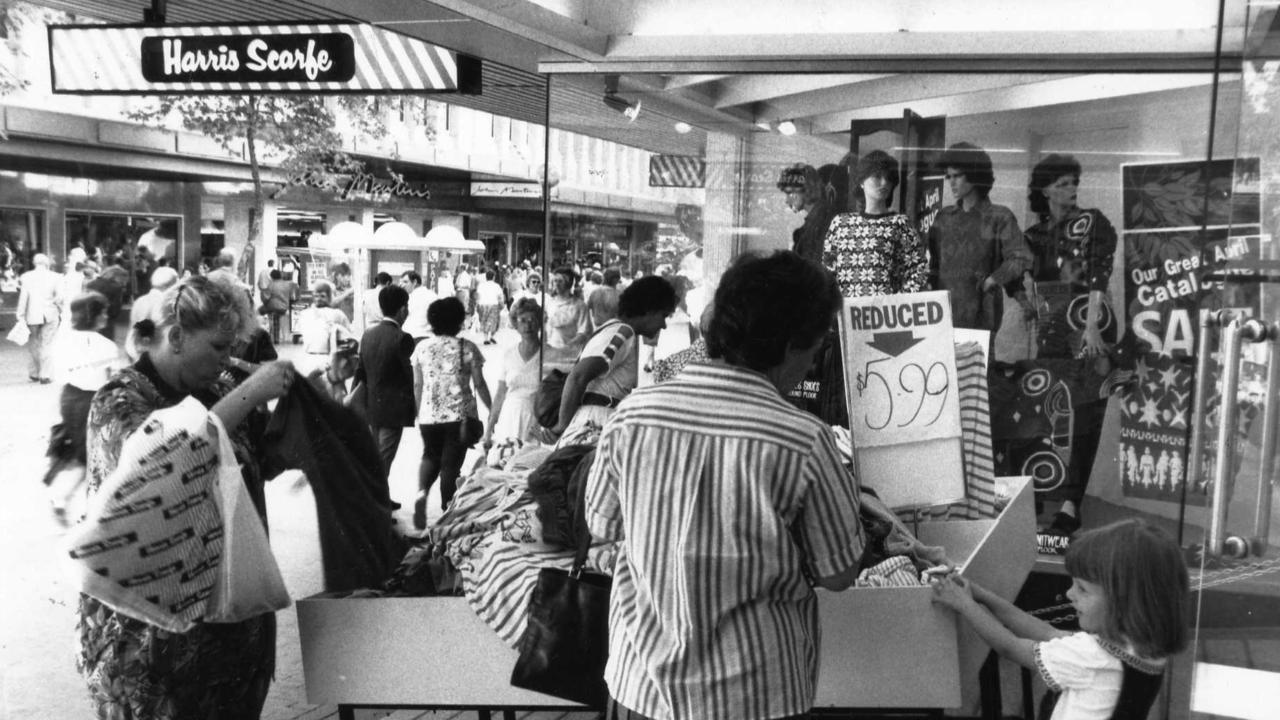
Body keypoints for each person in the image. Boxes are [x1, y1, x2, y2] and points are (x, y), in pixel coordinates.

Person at [584, 250, 869, 720]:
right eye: (817, 348)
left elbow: (602, 523)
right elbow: (839, 573)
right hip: (755, 694)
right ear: (793, 344)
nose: (814, 362)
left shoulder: (632, 414)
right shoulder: (802, 439)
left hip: (642, 687)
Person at [78, 272, 296, 719]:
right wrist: (249, 394)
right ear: (176, 337)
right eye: (218, 347)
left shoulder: (218, 389)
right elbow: (162, 464)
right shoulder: (119, 401)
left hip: (231, 633)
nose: (227, 359)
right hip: (148, 642)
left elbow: (255, 467)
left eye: (232, 348)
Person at [932, 519, 1189, 720]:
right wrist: (978, 593)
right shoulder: (1141, 646)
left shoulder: (1093, 656)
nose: (1069, 594)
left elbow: (1009, 647)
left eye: (1082, 589)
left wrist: (963, 603)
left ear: (1123, 602)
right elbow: (1045, 631)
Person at [1022, 153, 1119, 533]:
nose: (1071, 188)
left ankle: (1070, 504)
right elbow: (1029, 282)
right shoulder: (1035, 235)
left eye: (1074, 181)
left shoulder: (1093, 221)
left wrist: (1093, 326)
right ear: (1045, 190)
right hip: (1052, 330)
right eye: (1062, 183)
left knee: (1087, 415)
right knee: (1046, 410)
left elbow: (1099, 274)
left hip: (1089, 324)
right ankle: (1037, 493)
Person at [541, 276, 677, 447]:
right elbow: (578, 377)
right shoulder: (622, 332)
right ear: (649, 310)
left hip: (594, 423)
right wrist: (561, 426)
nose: (663, 325)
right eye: (663, 316)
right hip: (594, 424)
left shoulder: (618, 332)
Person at [927, 142, 1033, 332]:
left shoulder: (999, 217)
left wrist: (995, 280)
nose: (951, 182)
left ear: (975, 174)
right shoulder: (943, 218)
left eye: (957, 175)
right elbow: (934, 268)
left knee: (978, 362)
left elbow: (1019, 258)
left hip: (982, 317)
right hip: (942, 316)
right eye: (948, 176)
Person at [410, 296, 492, 529]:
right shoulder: (468, 348)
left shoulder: (422, 348)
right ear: (458, 320)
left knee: (429, 455)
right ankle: (447, 512)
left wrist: (418, 412)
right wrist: (492, 408)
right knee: (450, 465)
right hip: (460, 416)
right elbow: (479, 384)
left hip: (429, 414)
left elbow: (417, 385)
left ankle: (421, 495)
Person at [44, 291, 122, 523]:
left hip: (69, 398)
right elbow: (113, 381)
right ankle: (69, 501)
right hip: (94, 401)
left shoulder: (63, 341)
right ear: (95, 315)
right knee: (95, 455)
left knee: (86, 452)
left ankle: (65, 498)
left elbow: (58, 373)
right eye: (104, 312)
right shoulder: (106, 346)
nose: (107, 316)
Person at [823, 149, 929, 297]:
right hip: (848, 313)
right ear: (861, 181)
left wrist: (897, 305)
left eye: (888, 178)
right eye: (877, 177)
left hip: (885, 316)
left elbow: (918, 271)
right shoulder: (840, 224)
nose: (884, 183)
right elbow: (827, 271)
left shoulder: (899, 224)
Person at [360, 284, 416, 485]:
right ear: (402, 309)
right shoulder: (403, 338)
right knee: (384, 459)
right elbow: (408, 377)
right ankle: (376, 505)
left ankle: (381, 498)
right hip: (394, 410)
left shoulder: (368, 334)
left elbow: (361, 371)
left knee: (376, 456)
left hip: (372, 405)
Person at [482, 298, 543, 449]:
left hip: (536, 419)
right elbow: (500, 393)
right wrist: (489, 429)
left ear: (539, 322)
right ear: (515, 324)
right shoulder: (509, 354)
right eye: (522, 320)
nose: (527, 325)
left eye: (532, 320)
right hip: (509, 418)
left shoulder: (548, 354)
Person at [297, 280, 354, 399]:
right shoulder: (306, 314)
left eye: (322, 296)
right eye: (316, 296)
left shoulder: (335, 314)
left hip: (328, 359)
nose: (318, 299)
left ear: (329, 297)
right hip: (314, 359)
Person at [16, 253, 62, 383]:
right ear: (47, 264)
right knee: (47, 343)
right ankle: (45, 374)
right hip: (50, 314)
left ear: (34, 263)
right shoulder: (56, 277)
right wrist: (60, 309)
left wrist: (20, 315)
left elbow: (23, 298)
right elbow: (59, 298)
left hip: (32, 315)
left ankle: (34, 372)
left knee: (33, 343)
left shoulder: (26, 277)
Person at [126, 265, 180, 360]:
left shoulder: (140, 301)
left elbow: (132, 329)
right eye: (176, 284)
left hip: (134, 351)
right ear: (169, 285)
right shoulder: (166, 304)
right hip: (155, 357)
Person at [543, 266, 590, 353]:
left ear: (569, 283)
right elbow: (544, 327)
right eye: (555, 281)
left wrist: (566, 348)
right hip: (550, 352)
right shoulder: (549, 303)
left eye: (560, 281)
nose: (556, 284)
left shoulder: (579, 306)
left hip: (570, 355)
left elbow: (583, 333)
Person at [262, 269, 300, 344]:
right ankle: (283, 338)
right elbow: (293, 294)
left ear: (272, 277)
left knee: (274, 322)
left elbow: (266, 297)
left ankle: (275, 339)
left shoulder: (271, 285)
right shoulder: (287, 284)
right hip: (285, 307)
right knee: (283, 323)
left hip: (274, 307)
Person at [399, 270, 438, 342]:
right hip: (429, 336)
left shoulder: (408, 298)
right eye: (401, 282)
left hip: (410, 336)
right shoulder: (433, 295)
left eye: (405, 282)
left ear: (415, 282)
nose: (402, 285)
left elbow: (402, 316)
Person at [473, 269, 505, 345]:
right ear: (493, 277)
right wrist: (502, 305)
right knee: (494, 322)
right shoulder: (497, 286)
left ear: (486, 277)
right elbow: (500, 297)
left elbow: (478, 296)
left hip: (482, 304)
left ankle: (486, 338)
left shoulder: (481, 285)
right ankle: (492, 337)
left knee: (484, 321)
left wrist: (476, 305)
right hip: (494, 304)